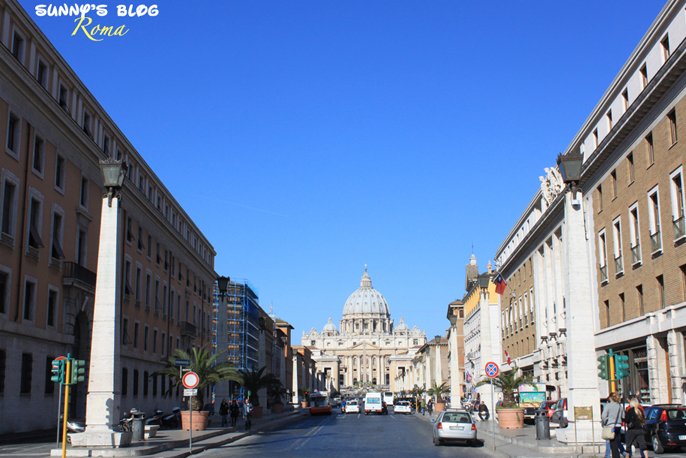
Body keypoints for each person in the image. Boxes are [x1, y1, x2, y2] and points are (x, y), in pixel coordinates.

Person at [602, 392, 625, 458]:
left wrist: (605, 421)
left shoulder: (608, 405)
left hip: (611, 425)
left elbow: (604, 415)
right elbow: (623, 415)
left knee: (613, 442)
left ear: (611, 398)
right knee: (616, 440)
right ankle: (620, 454)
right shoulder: (619, 406)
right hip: (618, 425)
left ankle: (616, 456)